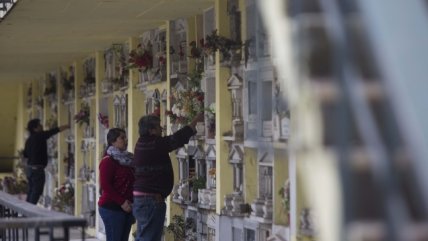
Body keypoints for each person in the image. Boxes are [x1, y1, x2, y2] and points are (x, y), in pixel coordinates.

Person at [132, 113, 204, 241]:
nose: (162, 129)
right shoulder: (154, 144)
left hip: (141, 199)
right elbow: (176, 139)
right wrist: (194, 123)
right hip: (150, 200)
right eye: (159, 127)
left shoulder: (141, 143)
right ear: (151, 130)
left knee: (143, 236)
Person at [98, 128, 135, 241]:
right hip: (112, 207)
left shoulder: (129, 159)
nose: (126, 140)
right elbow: (105, 185)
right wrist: (122, 202)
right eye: (122, 138)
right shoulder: (108, 161)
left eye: (125, 137)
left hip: (127, 207)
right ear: (113, 141)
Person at [23, 118, 69, 204]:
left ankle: (26, 212)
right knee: (36, 192)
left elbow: (25, 155)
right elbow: (53, 131)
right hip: (37, 170)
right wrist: (67, 126)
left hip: (30, 169)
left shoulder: (29, 140)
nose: (41, 126)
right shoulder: (40, 136)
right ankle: (29, 213)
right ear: (35, 128)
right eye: (39, 125)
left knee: (31, 191)